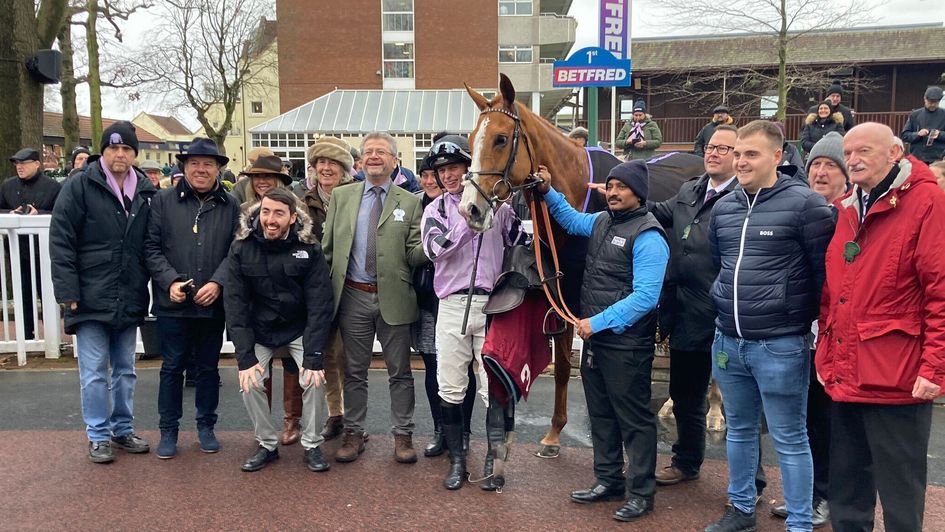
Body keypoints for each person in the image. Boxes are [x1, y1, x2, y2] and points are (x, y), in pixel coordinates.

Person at [705, 120, 834, 532]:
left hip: (780, 345)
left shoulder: (806, 205)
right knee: (739, 431)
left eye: (751, 154)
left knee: (791, 438)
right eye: (738, 153)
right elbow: (720, 264)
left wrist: (790, 315)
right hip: (728, 340)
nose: (740, 161)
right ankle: (741, 509)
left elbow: (824, 276)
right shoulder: (724, 207)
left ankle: (799, 523)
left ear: (777, 156)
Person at [816, 123, 945, 532]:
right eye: (848, 152)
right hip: (846, 368)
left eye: (863, 152)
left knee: (900, 492)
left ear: (894, 152)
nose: (852, 160)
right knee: (847, 486)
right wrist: (825, 354)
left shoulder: (927, 202)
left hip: (897, 374)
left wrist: (935, 367)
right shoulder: (849, 205)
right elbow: (832, 290)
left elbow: (940, 291)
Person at [536, 160, 668, 521]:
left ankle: (641, 492)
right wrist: (548, 191)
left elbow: (645, 297)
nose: (612, 192)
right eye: (610, 186)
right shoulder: (600, 222)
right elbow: (569, 218)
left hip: (625, 344)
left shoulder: (649, 236)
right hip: (596, 341)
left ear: (638, 193)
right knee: (602, 414)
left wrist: (598, 321)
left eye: (621, 187)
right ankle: (608, 480)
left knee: (635, 419)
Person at [420, 134, 529, 490]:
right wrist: (470, 220)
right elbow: (436, 250)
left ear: (469, 168)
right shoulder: (435, 210)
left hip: (493, 305)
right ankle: (456, 460)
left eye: (454, 168)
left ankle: (494, 462)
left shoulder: (501, 209)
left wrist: (527, 198)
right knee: (450, 387)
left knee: (495, 388)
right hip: (452, 306)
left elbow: (524, 241)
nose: (448, 176)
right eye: (441, 171)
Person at [49, 121, 156, 463]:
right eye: (113, 148)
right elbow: (62, 239)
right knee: (94, 371)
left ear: (134, 153)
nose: (120, 154)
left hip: (129, 292)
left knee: (126, 368)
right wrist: (67, 289)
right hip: (89, 293)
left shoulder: (144, 189)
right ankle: (98, 434)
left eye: (126, 149)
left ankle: (122, 429)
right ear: (103, 152)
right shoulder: (80, 185)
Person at [321, 131, 428, 464]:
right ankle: (353, 433)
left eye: (382, 152)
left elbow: (413, 252)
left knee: (400, 371)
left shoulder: (410, 201)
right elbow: (327, 249)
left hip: (393, 298)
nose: (374, 156)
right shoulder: (342, 196)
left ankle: (403, 435)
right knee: (353, 370)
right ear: (360, 161)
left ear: (395, 161)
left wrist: (438, 246)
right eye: (368, 152)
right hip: (352, 296)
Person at [648, 125, 738, 486]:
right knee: (685, 394)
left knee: (739, 403)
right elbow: (657, 212)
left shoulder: (746, 197)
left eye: (723, 149)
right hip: (685, 312)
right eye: (711, 147)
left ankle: (751, 482)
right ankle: (686, 461)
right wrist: (617, 197)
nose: (713, 153)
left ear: (738, 155)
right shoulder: (690, 189)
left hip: (727, 317)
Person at [769, 131, 848, 528]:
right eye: (816, 164)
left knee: (826, 418)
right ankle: (806, 492)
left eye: (831, 166)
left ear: (845, 175)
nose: (820, 171)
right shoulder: (801, 209)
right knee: (801, 419)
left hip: (837, 334)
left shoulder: (850, 216)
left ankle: (826, 495)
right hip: (803, 330)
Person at [225, 188, 334, 473]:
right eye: (265, 212)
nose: (270, 220)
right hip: (259, 330)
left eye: (278, 214)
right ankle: (267, 444)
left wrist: (314, 356)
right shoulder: (241, 247)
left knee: (313, 379)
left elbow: (320, 304)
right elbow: (235, 304)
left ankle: (311, 444)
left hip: (298, 329)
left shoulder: (309, 248)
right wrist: (244, 358)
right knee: (250, 382)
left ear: (292, 217)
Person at [145, 137, 239, 460]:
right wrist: (169, 280)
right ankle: (168, 430)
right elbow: (151, 248)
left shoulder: (231, 205)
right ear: (184, 167)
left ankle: (206, 426)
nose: (201, 169)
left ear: (218, 169)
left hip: (212, 303)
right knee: (171, 368)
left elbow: (235, 251)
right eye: (195, 163)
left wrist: (218, 282)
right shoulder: (162, 201)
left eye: (208, 164)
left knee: (208, 369)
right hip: (174, 304)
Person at [237, 154, 306, 445]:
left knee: (293, 365)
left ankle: (292, 421)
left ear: (280, 180)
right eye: (257, 177)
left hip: (292, 304)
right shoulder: (242, 211)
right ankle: (264, 428)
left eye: (268, 177)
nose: (262, 181)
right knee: (258, 370)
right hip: (258, 301)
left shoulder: (297, 209)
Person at [300, 136, 356, 441]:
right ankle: (336, 414)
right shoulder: (302, 201)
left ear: (344, 168)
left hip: (351, 287)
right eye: (320, 163)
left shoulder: (355, 198)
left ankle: (355, 419)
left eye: (332, 163)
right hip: (316, 289)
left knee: (350, 357)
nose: (325, 168)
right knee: (328, 356)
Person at [2, 147, 62, 341]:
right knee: (22, 293)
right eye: (17, 164)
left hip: (43, 250)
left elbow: (60, 213)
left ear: (37, 164)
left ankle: (52, 337)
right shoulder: (8, 185)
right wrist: (10, 214)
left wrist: (40, 214)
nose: (19, 167)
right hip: (17, 250)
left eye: (24, 163)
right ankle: (26, 335)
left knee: (47, 292)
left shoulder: (52, 187)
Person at [900, 86, 945, 164]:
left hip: (939, 159)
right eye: (930, 102)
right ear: (925, 99)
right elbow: (904, 135)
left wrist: (939, 134)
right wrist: (918, 134)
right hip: (918, 158)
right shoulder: (915, 115)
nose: (933, 105)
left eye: (936, 103)